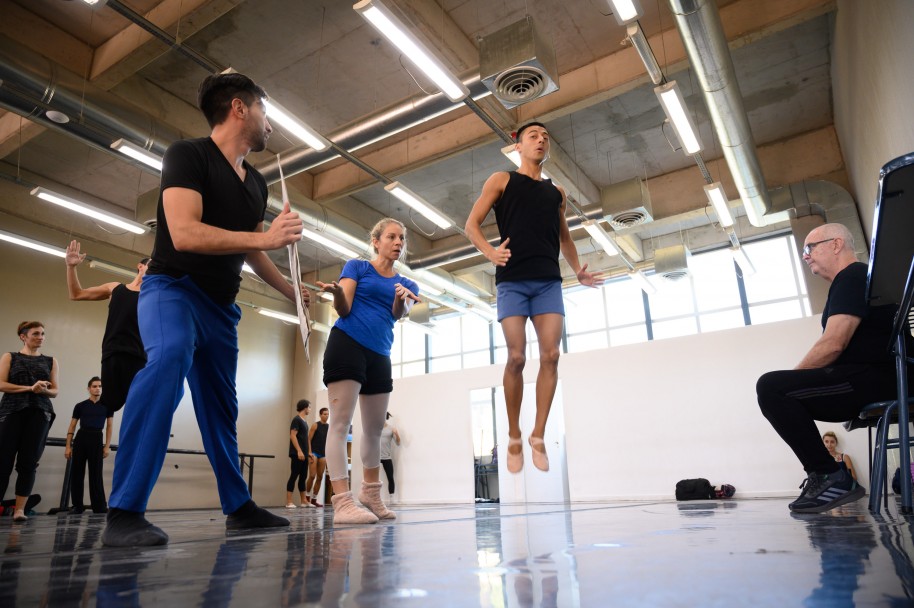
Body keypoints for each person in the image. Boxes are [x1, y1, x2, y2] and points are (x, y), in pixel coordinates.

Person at [101, 72, 309, 547]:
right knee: (169, 358)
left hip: (220, 308)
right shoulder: (187, 155)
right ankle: (125, 509)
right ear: (240, 108)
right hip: (171, 289)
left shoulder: (256, 182)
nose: (270, 125)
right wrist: (267, 236)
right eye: (265, 111)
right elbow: (185, 233)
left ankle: (239, 507)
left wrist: (290, 289)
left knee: (221, 408)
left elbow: (254, 251)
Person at [465, 121, 603, 474]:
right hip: (512, 281)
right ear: (518, 146)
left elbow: (566, 239)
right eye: (533, 136)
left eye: (545, 137)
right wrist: (490, 253)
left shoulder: (557, 192)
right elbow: (472, 225)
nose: (541, 140)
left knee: (552, 354)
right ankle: (513, 435)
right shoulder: (501, 180)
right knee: (516, 356)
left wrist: (577, 271)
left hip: (547, 282)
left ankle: (537, 435)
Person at [757, 222, 912, 514]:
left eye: (809, 248)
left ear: (836, 244)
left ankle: (831, 477)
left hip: (880, 377)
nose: (805, 256)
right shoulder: (853, 280)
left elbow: (834, 344)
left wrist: (790, 384)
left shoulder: (853, 276)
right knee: (778, 389)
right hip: (875, 376)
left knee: (771, 387)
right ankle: (829, 476)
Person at [316, 218, 419, 525]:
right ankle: (342, 502)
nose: (398, 242)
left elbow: (399, 315)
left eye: (402, 238)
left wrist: (401, 299)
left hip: (379, 354)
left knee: (374, 429)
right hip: (347, 344)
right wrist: (335, 293)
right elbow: (344, 308)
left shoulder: (407, 284)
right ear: (377, 241)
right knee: (341, 424)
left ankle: (370, 494)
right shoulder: (357, 267)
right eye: (392, 236)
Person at [65, 242, 148, 415]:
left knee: (139, 405)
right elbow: (76, 294)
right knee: (110, 404)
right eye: (153, 265)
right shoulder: (115, 288)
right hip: (112, 353)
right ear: (140, 266)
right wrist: (71, 267)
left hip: (138, 357)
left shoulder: (155, 296)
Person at [0, 321, 59, 522]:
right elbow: (1, 384)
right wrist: (29, 388)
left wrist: (43, 390)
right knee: (3, 462)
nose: (41, 337)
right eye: (36, 334)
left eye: (43, 333)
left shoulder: (51, 361)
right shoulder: (10, 357)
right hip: (12, 411)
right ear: (23, 336)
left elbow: (55, 391)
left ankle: (19, 510)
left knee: (28, 463)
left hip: (39, 413)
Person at [64, 376, 112, 514]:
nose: (98, 388)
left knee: (96, 473)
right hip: (81, 438)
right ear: (89, 388)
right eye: (95, 386)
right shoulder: (80, 406)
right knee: (77, 472)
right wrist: (68, 446)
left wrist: (107, 446)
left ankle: (99, 506)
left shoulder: (107, 406)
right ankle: (77, 506)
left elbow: (109, 427)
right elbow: (72, 426)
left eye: (100, 386)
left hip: (97, 438)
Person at [287, 399, 314, 509]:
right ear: (305, 407)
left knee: (303, 477)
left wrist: (309, 452)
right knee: (294, 475)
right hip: (297, 453)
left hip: (304, 454)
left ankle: (304, 501)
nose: (310, 409)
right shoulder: (296, 420)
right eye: (310, 407)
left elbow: (306, 439)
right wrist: (298, 450)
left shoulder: (305, 421)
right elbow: (293, 436)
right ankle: (289, 502)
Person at [306, 407, 329, 507]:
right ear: (320, 415)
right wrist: (309, 452)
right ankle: (306, 497)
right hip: (314, 453)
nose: (326, 416)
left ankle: (314, 499)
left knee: (319, 477)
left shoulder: (329, 427)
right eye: (324, 414)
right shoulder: (315, 425)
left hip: (323, 454)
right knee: (312, 475)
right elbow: (308, 440)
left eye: (327, 414)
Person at [379, 412, 401, 496]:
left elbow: (398, 443)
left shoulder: (391, 429)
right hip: (376, 458)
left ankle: (391, 497)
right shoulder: (375, 428)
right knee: (373, 480)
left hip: (387, 457)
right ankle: (373, 497)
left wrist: (396, 433)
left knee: (390, 478)